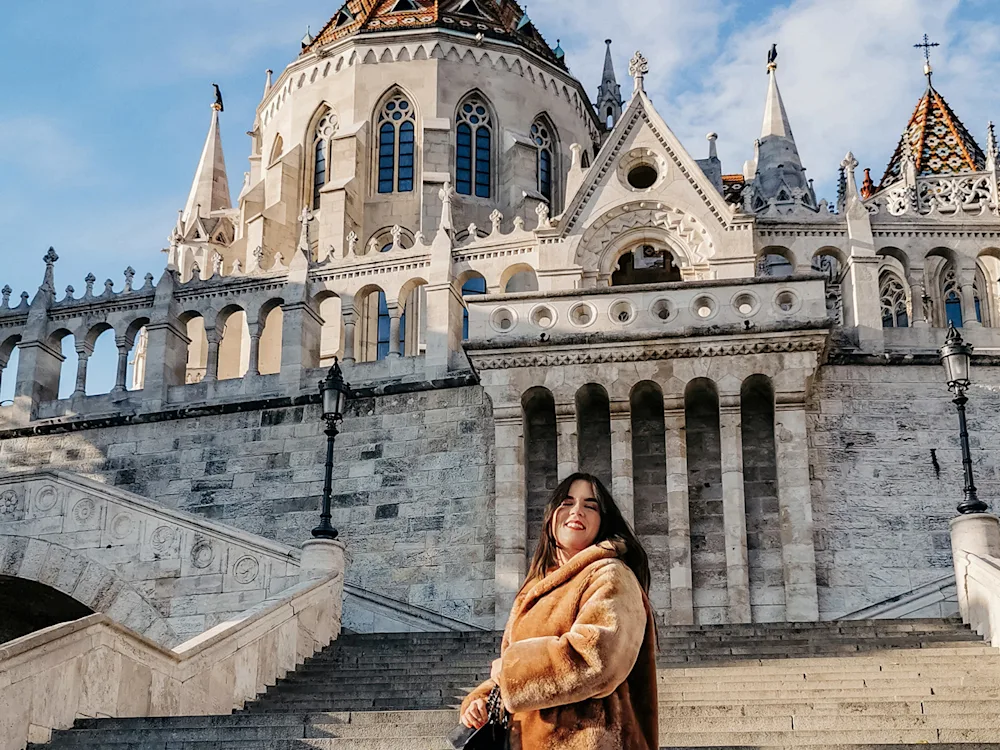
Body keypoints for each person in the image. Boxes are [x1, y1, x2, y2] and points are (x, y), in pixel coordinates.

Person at [460, 472, 658, 749]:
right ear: (551, 515)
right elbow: (511, 671)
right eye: (567, 502)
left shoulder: (611, 573)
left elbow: (597, 658)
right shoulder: (537, 587)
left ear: (603, 520)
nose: (577, 511)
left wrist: (512, 673)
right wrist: (481, 700)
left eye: (590, 505)